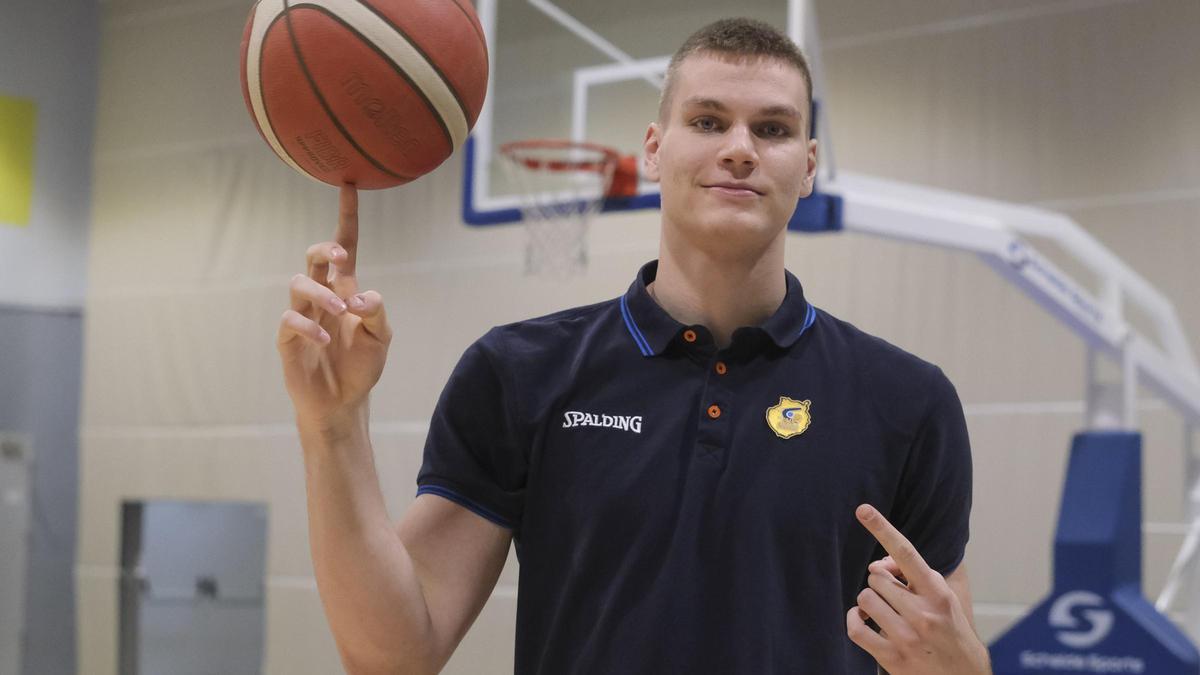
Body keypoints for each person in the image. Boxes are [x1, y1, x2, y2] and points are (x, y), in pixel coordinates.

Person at [277, 17, 992, 675]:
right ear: (654, 149)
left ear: (807, 167)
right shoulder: (519, 372)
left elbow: (940, 651)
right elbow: (393, 655)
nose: (739, 148)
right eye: (708, 120)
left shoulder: (907, 400)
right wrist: (331, 426)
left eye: (771, 129)